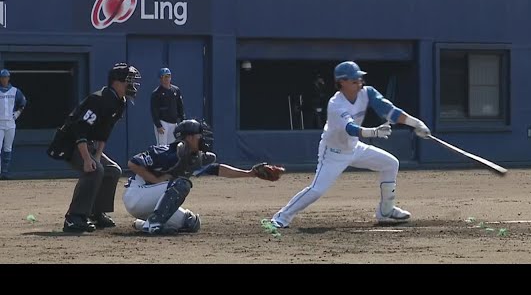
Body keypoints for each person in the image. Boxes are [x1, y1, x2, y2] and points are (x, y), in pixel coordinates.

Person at [270, 60, 431, 229]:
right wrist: (373, 132)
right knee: (317, 189)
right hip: (333, 152)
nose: (359, 83)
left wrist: (416, 124)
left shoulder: (367, 93)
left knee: (390, 163)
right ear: (342, 82)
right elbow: (350, 128)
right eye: (354, 80)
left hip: (354, 148)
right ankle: (281, 218)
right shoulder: (335, 104)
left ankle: (386, 211)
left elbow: (389, 110)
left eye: (360, 79)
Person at [124, 119, 284, 234]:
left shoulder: (192, 157)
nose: (203, 138)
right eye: (199, 135)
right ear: (189, 138)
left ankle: (142, 224)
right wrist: (156, 180)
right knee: (182, 184)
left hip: (154, 201)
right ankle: (153, 225)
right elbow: (133, 163)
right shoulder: (167, 152)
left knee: (192, 223)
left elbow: (219, 170)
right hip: (138, 195)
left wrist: (250, 173)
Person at [46, 62, 141, 233]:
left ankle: (96, 213)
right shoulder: (99, 99)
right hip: (70, 142)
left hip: (88, 143)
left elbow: (104, 132)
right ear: (116, 82)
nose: (132, 84)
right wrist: (88, 159)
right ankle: (74, 217)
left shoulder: (120, 102)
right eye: (128, 80)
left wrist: (97, 155)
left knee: (112, 170)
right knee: (94, 170)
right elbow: (79, 128)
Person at [0, 69, 27, 180]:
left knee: (8, 147)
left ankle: (5, 172)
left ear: (9, 78)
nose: (4, 79)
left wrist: (17, 114)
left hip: (10, 123)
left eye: (6, 77)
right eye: (2, 77)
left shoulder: (15, 91)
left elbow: (23, 102)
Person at [150, 67, 185, 145]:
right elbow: (154, 110)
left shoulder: (176, 90)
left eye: (168, 76)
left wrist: (182, 120)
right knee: (162, 147)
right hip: (163, 123)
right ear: (160, 78)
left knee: (172, 146)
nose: (167, 78)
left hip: (174, 123)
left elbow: (180, 106)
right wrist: (158, 125)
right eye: (165, 76)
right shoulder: (156, 93)